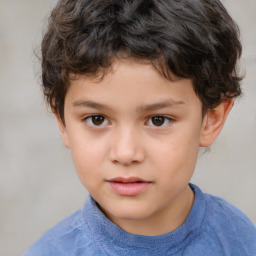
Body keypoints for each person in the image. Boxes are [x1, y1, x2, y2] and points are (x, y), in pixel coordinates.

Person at [23, 0, 256, 255]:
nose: (125, 153)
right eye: (97, 119)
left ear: (211, 118)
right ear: (62, 121)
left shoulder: (241, 242)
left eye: (158, 120)